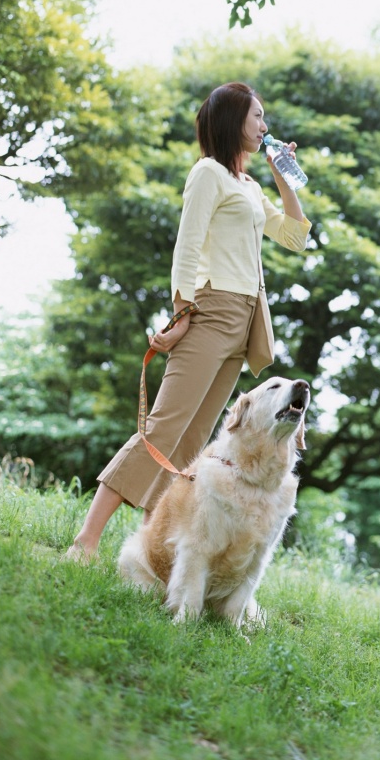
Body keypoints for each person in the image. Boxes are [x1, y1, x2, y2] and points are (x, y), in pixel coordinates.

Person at [66, 82, 311, 561]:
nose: (264, 126)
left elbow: (296, 238)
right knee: (162, 429)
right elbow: (187, 247)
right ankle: (86, 540)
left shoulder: (249, 186)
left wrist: (283, 176)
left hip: (244, 321)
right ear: (232, 119)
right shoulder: (208, 174)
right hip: (211, 308)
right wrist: (182, 313)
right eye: (257, 116)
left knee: (195, 441)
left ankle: (148, 546)